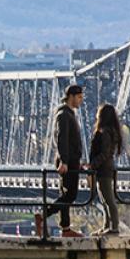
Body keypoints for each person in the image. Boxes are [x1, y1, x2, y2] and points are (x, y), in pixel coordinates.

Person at [36, 84, 86, 238]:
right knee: (70, 195)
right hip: (68, 161)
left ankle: (65, 229)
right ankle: (43, 216)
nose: (81, 101)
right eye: (79, 97)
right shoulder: (64, 115)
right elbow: (61, 138)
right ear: (70, 96)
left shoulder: (68, 114)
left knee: (65, 194)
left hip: (71, 160)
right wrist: (64, 161)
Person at [88, 103, 124, 235]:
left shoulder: (105, 133)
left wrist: (93, 165)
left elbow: (105, 153)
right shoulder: (108, 131)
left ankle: (114, 228)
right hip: (103, 169)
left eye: (99, 112)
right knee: (103, 199)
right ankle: (106, 226)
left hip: (104, 169)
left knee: (109, 199)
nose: (96, 114)